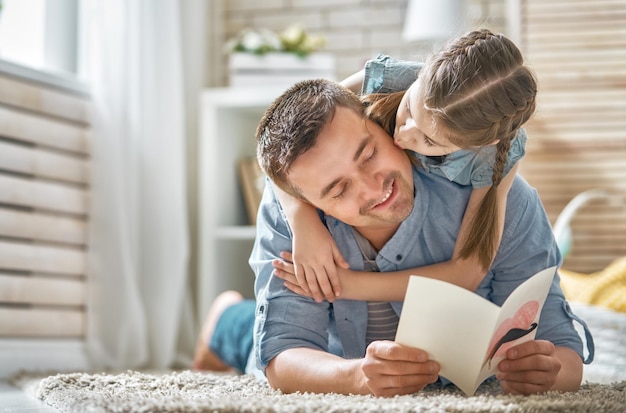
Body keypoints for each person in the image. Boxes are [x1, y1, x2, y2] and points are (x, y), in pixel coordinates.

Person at [194, 76, 593, 396]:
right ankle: (224, 318)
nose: (372, 189)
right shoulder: (292, 219)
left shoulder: (501, 199)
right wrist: (356, 377)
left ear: (383, 123)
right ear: (311, 202)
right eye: (338, 190)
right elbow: (283, 353)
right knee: (249, 339)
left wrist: (550, 370)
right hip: (337, 352)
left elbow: (562, 347)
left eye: (368, 154)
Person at [274, 29, 532, 302]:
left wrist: (340, 285)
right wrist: (302, 220)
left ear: (481, 144)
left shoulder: (493, 160)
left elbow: (467, 272)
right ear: (425, 71)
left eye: (429, 141)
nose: (403, 135)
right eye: (409, 108)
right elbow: (281, 133)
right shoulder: (393, 78)